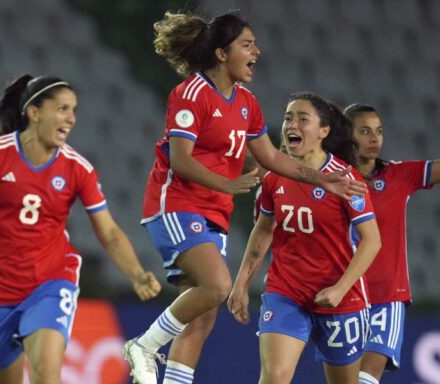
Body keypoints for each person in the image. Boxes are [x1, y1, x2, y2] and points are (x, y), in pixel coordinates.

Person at [121, 11, 367, 384]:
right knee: (217, 285)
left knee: (201, 317)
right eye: (247, 44)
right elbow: (181, 160)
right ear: (222, 53)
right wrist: (226, 184)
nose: (257, 51)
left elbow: (270, 157)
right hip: (176, 204)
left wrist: (323, 180)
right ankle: (143, 345)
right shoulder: (190, 94)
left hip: (213, 213)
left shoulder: (247, 103)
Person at [0, 75, 161, 384]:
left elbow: (108, 231)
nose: (71, 118)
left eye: (74, 110)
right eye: (63, 109)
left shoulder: (77, 168)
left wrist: (137, 273)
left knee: (46, 373)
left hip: (49, 282)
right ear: (34, 112)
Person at [227, 92, 382, 384]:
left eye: (302, 118)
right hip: (286, 291)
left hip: (340, 298)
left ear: (323, 132)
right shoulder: (275, 176)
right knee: (274, 378)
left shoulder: (345, 180)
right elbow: (264, 229)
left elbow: (372, 241)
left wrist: (339, 288)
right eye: (287, 118)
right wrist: (241, 283)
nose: (291, 125)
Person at [343, 104, 439, 384]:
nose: (374, 139)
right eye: (364, 131)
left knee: (365, 376)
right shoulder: (333, 179)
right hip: (343, 294)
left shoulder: (398, 175)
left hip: (387, 295)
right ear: (348, 135)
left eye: (379, 132)